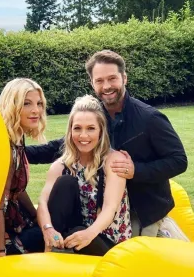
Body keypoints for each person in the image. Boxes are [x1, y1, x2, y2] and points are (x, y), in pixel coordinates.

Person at [26, 50, 188, 239]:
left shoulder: (150, 119)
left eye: (112, 79)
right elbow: (63, 145)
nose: (107, 86)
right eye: (100, 81)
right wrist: (18, 151)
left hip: (142, 209)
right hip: (100, 206)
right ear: (92, 83)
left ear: (124, 78)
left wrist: (136, 170)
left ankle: (167, 231)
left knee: (138, 251)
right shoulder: (96, 115)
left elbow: (179, 160)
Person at [37, 95, 132, 256]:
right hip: (72, 235)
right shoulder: (61, 165)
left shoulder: (114, 161)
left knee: (77, 232)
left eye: (91, 128)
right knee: (65, 182)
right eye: (77, 128)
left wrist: (89, 234)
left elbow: (110, 207)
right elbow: (43, 202)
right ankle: (53, 247)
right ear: (70, 131)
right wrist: (48, 229)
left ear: (101, 131)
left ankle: (60, 250)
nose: (83, 136)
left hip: (106, 240)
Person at [0, 78, 46, 257]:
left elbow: (18, 189)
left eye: (39, 103)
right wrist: (0, 252)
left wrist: (36, 217)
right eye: (26, 104)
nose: (36, 110)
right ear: (12, 106)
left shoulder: (17, 137)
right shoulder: (4, 145)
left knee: (50, 223)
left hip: (14, 216)